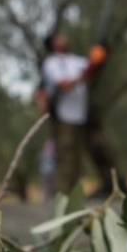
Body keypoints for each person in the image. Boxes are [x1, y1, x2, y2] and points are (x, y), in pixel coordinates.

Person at [39, 32, 99, 194]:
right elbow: (63, 85)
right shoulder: (51, 63)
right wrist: (83, 75)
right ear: (53, 43)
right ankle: (63, 195)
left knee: (77, 159)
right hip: (64, 117)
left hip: (80, 115)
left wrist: (97, 57)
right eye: (59, 37)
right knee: (66, 157)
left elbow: (91, 69)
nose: (64, 38)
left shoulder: (75, 60)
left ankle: (74, 196)